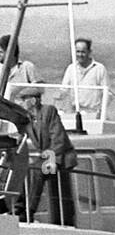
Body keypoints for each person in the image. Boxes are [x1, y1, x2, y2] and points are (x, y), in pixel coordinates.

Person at [13, 86, 77, 226]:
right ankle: (16, 209)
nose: (21, 103)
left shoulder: (48, 111)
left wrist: (49, 157)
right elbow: (20, 136)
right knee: (23, 169)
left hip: (59, 155)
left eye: (23, 100)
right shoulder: (26, 118)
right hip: (46, 156)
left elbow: (58, 140)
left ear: (33, 101)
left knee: (36, 170)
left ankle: (28, 212)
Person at [58, 37, 108, 120]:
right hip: (74, 112)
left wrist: (101, 112)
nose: (80, 55)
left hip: (92, 113)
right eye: (78, 52)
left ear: (89, 52)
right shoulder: (71, 68)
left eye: (83, 52)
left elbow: (106, 94)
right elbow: (64, 91)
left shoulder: (99, 69)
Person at [0, 35, 38, 101]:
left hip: (20, 108)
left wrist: (16, 92)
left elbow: (40, 89)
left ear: (11, 52)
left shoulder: (27, 67)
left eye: (1, 52)